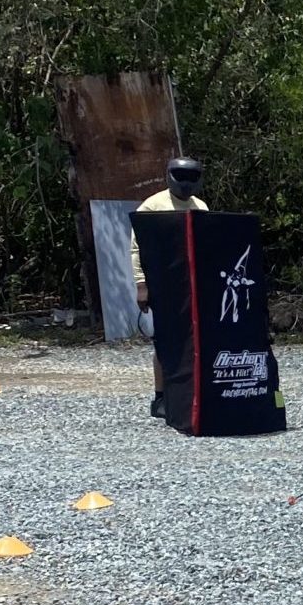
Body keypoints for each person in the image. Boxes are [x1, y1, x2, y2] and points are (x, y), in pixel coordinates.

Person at [132, 156, 208, 417]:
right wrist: (141, 285)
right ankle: (160, 397)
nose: (185, 183)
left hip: (193, 284)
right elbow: (137, 248)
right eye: (180, 176)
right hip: (162, 283)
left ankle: (191, 392)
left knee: (194, 339)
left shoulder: (201, 207)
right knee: (164, 341)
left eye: (191, 178)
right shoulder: (152, 206)